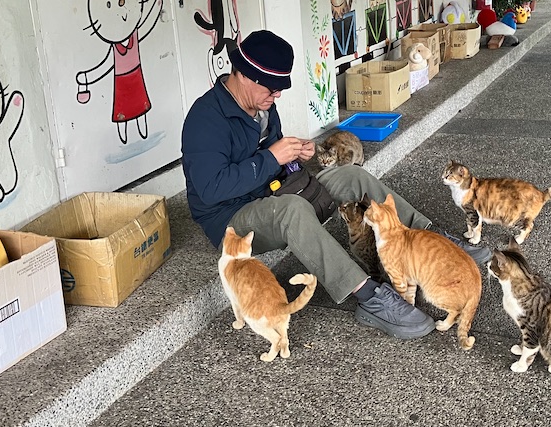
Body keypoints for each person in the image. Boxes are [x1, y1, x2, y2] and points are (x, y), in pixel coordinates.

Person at [181, 29, 492, 340]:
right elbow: (211, 189)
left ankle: (432, 239)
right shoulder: (204, 119)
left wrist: (294, 156)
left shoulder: (261, 105)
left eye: (279, 91)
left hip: (273, 190)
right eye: (273, 90)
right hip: (231, 217)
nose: (276, 97)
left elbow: (271, 158)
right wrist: (271, 159)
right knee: (292, 211)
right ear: (246, 75)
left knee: (351, 175)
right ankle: (370, 297)